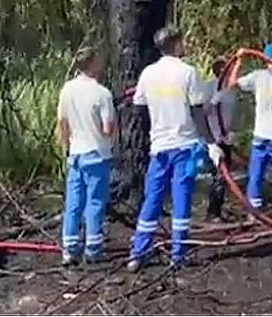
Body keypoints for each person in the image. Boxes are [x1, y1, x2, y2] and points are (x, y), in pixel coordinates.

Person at [127, 26, 222, 271]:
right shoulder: (188, 73)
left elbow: (138, 108)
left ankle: (138, 253)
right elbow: (197, 112)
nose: (185, 45)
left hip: (159, 148)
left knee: (152, 199)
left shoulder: (148, 74)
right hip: (185, 148)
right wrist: (211, 144)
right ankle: (178, 255)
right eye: (183, 41)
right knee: (181, 200)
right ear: (175, 44)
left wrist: (155, 127)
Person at [56, 47, 116, 266]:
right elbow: (107, 129)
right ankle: (93, 248)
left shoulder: (67, 90)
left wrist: (67, 148)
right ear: (93, 63)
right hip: (97, 154)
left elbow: (63, 123)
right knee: (95, 202)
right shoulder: (102, 94)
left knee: (73, 202)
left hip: (75, 155)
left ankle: (69, 249)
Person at [228, 43, 272, 221]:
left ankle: (254, 215)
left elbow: (231, 85)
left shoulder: (257, 77)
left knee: (255, 176)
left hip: (260, 135)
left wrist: (238, 61)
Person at [203, 56, 238, 222]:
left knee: (224, 176)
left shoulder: (230, 90)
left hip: (227, 137)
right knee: (218, 174)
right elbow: (202, 111)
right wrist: (212, 101)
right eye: (226, 69)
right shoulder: (210, 87)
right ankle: (212, 212)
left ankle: (218, 208)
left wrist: (233, 131)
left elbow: (233, 113)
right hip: (214, 138)